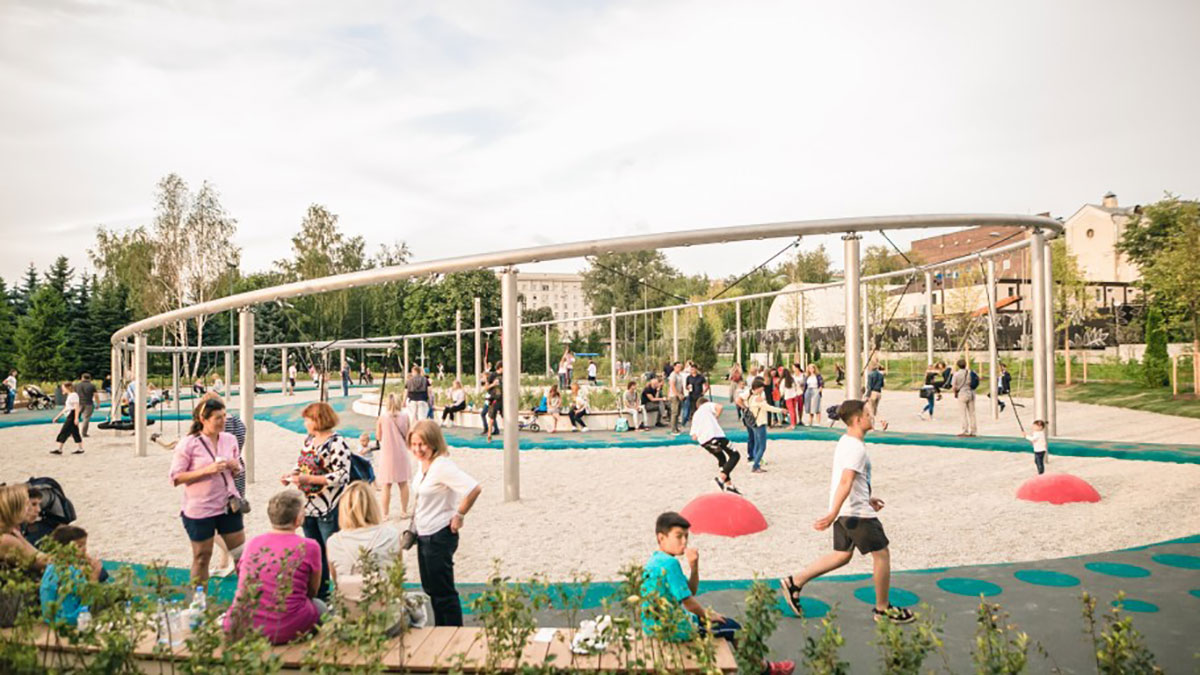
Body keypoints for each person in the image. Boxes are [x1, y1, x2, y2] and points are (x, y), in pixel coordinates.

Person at [779, 399, 914, 624]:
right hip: (855, 514)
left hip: (848, 509)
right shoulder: (856, 448)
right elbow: (845, 481)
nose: (871, 417)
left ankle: (795, 581)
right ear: (858, 419)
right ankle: (883, 610)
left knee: (842, 555)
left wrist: (866, 498)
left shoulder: (846, 441)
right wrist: (833, 513)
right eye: (868, 413)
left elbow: (851, 481)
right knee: (882, 555)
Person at [641, 512, 794, 675]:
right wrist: (707, 615)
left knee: (723, 623)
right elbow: (688, 601)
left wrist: (694, 566)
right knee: (733, 628)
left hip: (653, 625)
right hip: (673, 628)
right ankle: (764, 669)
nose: (684, 542)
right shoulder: (670, 563)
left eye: (686, 536)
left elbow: (689, 591)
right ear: (661, 538)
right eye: (679, 536)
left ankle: (762, 666)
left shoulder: (655, 559)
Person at [223, 489, 325, 644]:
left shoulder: (253, 543)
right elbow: (312, 590)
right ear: (298, 519)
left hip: (241, 624)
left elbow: (242, 579)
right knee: (320, 607)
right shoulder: (309, 546)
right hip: (285, 626)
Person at [408, 420, 481, 626]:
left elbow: (473, 488)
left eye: (422, 444)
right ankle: (441, 629)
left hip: (438, 533)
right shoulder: (424, 464)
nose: (418, 449)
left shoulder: (442, 466)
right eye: (414, 444)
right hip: (424, 533)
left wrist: (459, 514)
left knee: (443, 591)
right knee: (431, 589)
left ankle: (451, 632)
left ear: (433, 443)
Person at [169, 397, 246, 586]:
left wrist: (235, 467)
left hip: (228, 504)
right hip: (200, 508)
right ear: (203, 419)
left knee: (241, 555)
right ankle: (198, 599)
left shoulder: (229, 439)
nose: (223, 421)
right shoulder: (189, 443)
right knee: (202, 556)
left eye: (224, 416)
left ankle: (246, 597)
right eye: (218, 418)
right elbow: (176, 478)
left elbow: (238, 465)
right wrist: (207, 470)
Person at [282, 401, 351, 600]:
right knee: (314, 551)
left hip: (328, 506)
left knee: (332, 552)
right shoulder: (309, 440)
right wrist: (292, 475)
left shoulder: (337, 442)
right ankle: (320, 592)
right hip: (308, 506)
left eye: (308, 419)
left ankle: (340, 592)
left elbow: (342, 475)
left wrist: (311, 479)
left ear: (318, 420)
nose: (305, 423)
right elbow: (301, 464)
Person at [325, 482, 404, 626]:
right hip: (386, 617)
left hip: (349, 617)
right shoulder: (390, 534)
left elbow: (337, 581)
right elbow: (397, 573)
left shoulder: (334, 542)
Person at [39, 525, 103, 627]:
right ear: (63, 549)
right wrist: (94, 577)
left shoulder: (52, 567)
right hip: (68, 618)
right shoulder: (69, 571)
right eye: (80, 546)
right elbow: (87, 596)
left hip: (50, 618)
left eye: (85, 545)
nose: (85, 550)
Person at [689, 396, 742, 494]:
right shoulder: (706, 406)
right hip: (715, 436)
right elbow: (720, 407)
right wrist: (715, 417)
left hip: (704, 442)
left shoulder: (696, 415)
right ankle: (720, 479)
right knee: (735, 455)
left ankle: (729, 485)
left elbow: (694, 436)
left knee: (722, 459)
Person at [375, 393, 412, 519]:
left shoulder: (382, 417)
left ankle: (385, 514)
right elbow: (408, 434)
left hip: (387, 453)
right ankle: (404, 511)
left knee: (386, 484)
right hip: (401, 451)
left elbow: (378, 437)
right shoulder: (405, 416)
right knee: (403, 483)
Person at [0, 484, 49, 573]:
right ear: (15, 508)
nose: (28, 509)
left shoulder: (10, 533)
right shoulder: (6, 539)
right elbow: (44, 563)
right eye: (27, 504)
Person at [747, 378, 787, 473]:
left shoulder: (751, 397)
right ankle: (756, 465)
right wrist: (781, 410)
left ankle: (755, 462)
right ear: (757, 388)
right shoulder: (758, 399)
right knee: (762, 446)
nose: (763, 389)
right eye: (761, 388)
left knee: (757, 444)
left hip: (754, 423)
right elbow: (768, 408)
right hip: (760, 423)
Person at [50, 382, 84, 456]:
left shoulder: (74, 395)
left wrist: (76, 418)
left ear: (67, 388)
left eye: (63, 388)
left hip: (72, 415)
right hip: (70, 414)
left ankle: (59, 449)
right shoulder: (70, 396)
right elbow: (66, 408)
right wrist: (57, 417)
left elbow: (76, 407)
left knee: (64, 431)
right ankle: (80, 448)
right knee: (75, 432)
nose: (62, 389)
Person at [951, 359, 978, 437]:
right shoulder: (970, 372)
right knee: (972, 413)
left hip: (962, 393)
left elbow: (954, 386)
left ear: (958, 366)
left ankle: (965, 430)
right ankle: (974, 431)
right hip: (971, 393)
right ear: (965, 364)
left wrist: (955, 393)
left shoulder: (956, 374)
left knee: (963, 413)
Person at [483, 362, 503, 442]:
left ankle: (509, 436)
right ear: (500, 367)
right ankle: (489, 435)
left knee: (505, 417)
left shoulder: (506, 375)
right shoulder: (492, 375)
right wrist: (493, 384)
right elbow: (486, 387)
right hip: (494, 399)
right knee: (491, 418)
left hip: (503, 399)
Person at [74, 374, 97, 438]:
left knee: (75, 417)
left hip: (78, 403)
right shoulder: (92, 386)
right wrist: (98, 403)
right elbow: (96, 395)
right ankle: (84, 433)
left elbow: (74, 394)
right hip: (89, 403)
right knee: (86, 419)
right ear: (90, 378)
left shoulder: (77, 385)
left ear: (82, 378)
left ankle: (73, 432)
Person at [667, 362, 686, 434]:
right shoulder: (673, 375)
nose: (679, 368)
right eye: (678, 366)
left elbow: (681, 386)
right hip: (674, 395)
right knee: (674, 412)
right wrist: (677, 394)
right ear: (674, 367)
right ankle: (673, 429)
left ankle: (676, 427)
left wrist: (682, 393)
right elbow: (672, 385)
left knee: (678, 412)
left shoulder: (680, 375)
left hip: (679, 394)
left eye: (680, 366)